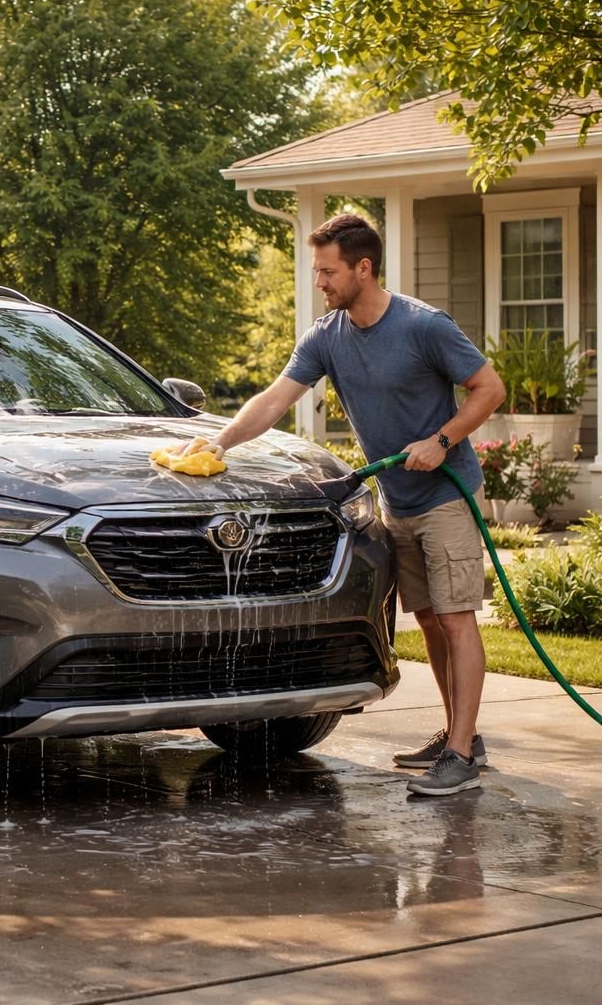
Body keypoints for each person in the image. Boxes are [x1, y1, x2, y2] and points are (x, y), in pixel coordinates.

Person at [181, 213, 505, 796]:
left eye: (328, 272)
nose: (321, 283)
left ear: (364, 267)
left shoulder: (423, 326)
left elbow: (490, 388)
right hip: (399, 498)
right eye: (316, 272)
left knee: (455, 617)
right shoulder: (327, 335)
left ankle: (460, 754)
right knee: (428, 618)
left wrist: (441, 441)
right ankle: (463, 733)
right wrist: (216, 443)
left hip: (447, 494)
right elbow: (275, 399)